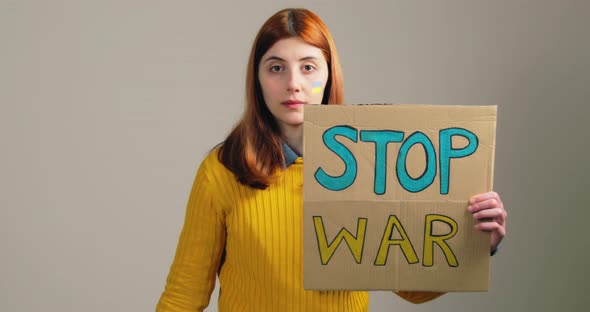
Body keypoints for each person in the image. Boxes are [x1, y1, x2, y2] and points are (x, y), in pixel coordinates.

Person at [156, 8, 507, 312]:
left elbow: (411, 287)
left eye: (308, 67)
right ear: (257, 79)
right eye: (276, 68)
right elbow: (185, 294)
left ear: (328, 75)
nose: (293, 83)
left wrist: (474, 244)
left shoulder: (373, 162)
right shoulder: (222, 169)